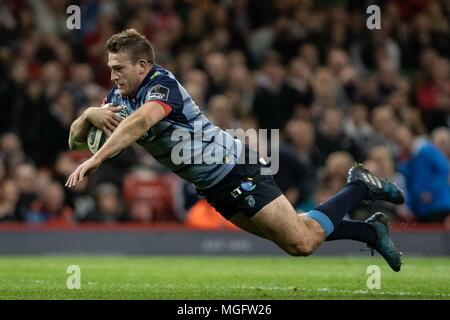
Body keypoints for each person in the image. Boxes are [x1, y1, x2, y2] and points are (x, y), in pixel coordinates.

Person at [65, 29, 405, 271]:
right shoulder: (117, 98)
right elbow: (74, 140)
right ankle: (369, 230)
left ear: (141, 65)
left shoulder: (161, 85)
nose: (112, 75)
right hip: (212, 186)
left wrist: (97, 159)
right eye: (110, 68)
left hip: (235, 168)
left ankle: (359, 186)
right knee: (294, 238)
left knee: (302, 243)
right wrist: (87, 114)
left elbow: (140, 123)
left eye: (118, 68)